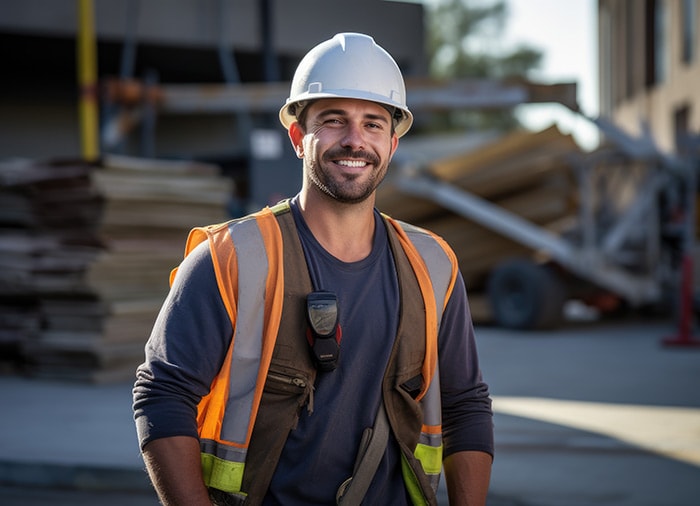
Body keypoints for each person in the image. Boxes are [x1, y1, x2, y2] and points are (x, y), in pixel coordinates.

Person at [133, 32, 494, 506]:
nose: (355, 140)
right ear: (298, 137)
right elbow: (162, 396)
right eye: (333, 120)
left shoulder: (432, 265)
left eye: (373, 123)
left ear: (393, 142)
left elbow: (464, 406)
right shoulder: (233, 256)